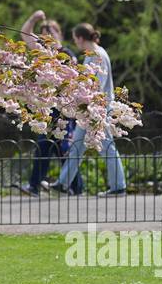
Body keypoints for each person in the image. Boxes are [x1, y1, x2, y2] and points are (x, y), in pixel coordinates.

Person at [15, 12, 83, 196]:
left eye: (51, 33)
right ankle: (35, 186)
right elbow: (25, 34)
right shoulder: (42, 52)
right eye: (44, 34)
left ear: (59, 34)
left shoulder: (66, 54)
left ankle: (75, 187)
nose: (48, 37)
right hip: (47, 106)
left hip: (63, 108)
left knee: (64, 149)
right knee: (44, 146)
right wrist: (34, 18)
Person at [54, 23, 126, 197]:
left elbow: (96, 84)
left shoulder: (96, 55)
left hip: (97, 109)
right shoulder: (96, 53)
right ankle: (62, 184)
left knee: (105, 146)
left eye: (74, 39)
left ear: (80, 38)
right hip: (93, 108)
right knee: (78, 146)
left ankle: (118, 186)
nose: (74, 42)